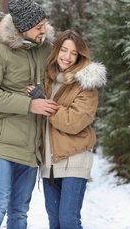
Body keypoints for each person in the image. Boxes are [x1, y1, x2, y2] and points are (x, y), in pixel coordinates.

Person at [0, 0, 59, 229]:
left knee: (20, 212)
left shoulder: (46, 49)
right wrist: (29, 104)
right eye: (38, 26)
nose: (44, 30)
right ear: (22, 27)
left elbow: (65, 72)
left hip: (30, 145)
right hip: (0, 142)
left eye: (44, 24)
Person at [27, 30, 107, 229]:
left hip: (74, 160)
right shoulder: (47, 80)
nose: (67, 57)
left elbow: (74, 121)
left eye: (74, 53)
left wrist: (44, 103)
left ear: (80, 56)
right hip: (49, 164)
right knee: (54, 223)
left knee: (69, 222)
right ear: (56, 51)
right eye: (64, 50)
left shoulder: (85, 84)